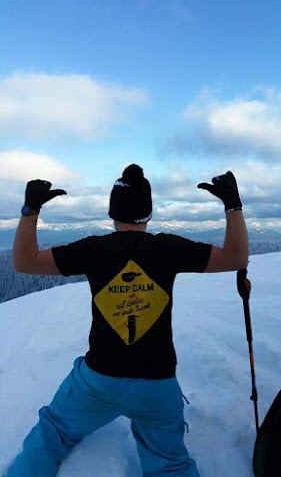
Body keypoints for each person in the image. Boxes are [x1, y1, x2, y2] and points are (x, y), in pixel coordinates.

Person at [7, 164, 249, 477]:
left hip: (98, 382)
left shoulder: (94, 249)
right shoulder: (168, 248)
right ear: (147, 214)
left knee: (53, 433)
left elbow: (24, 262)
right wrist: (233, 204)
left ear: (113, 213)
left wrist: (31, 209)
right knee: (171, 466)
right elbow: (236, 257)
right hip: (158, 386)